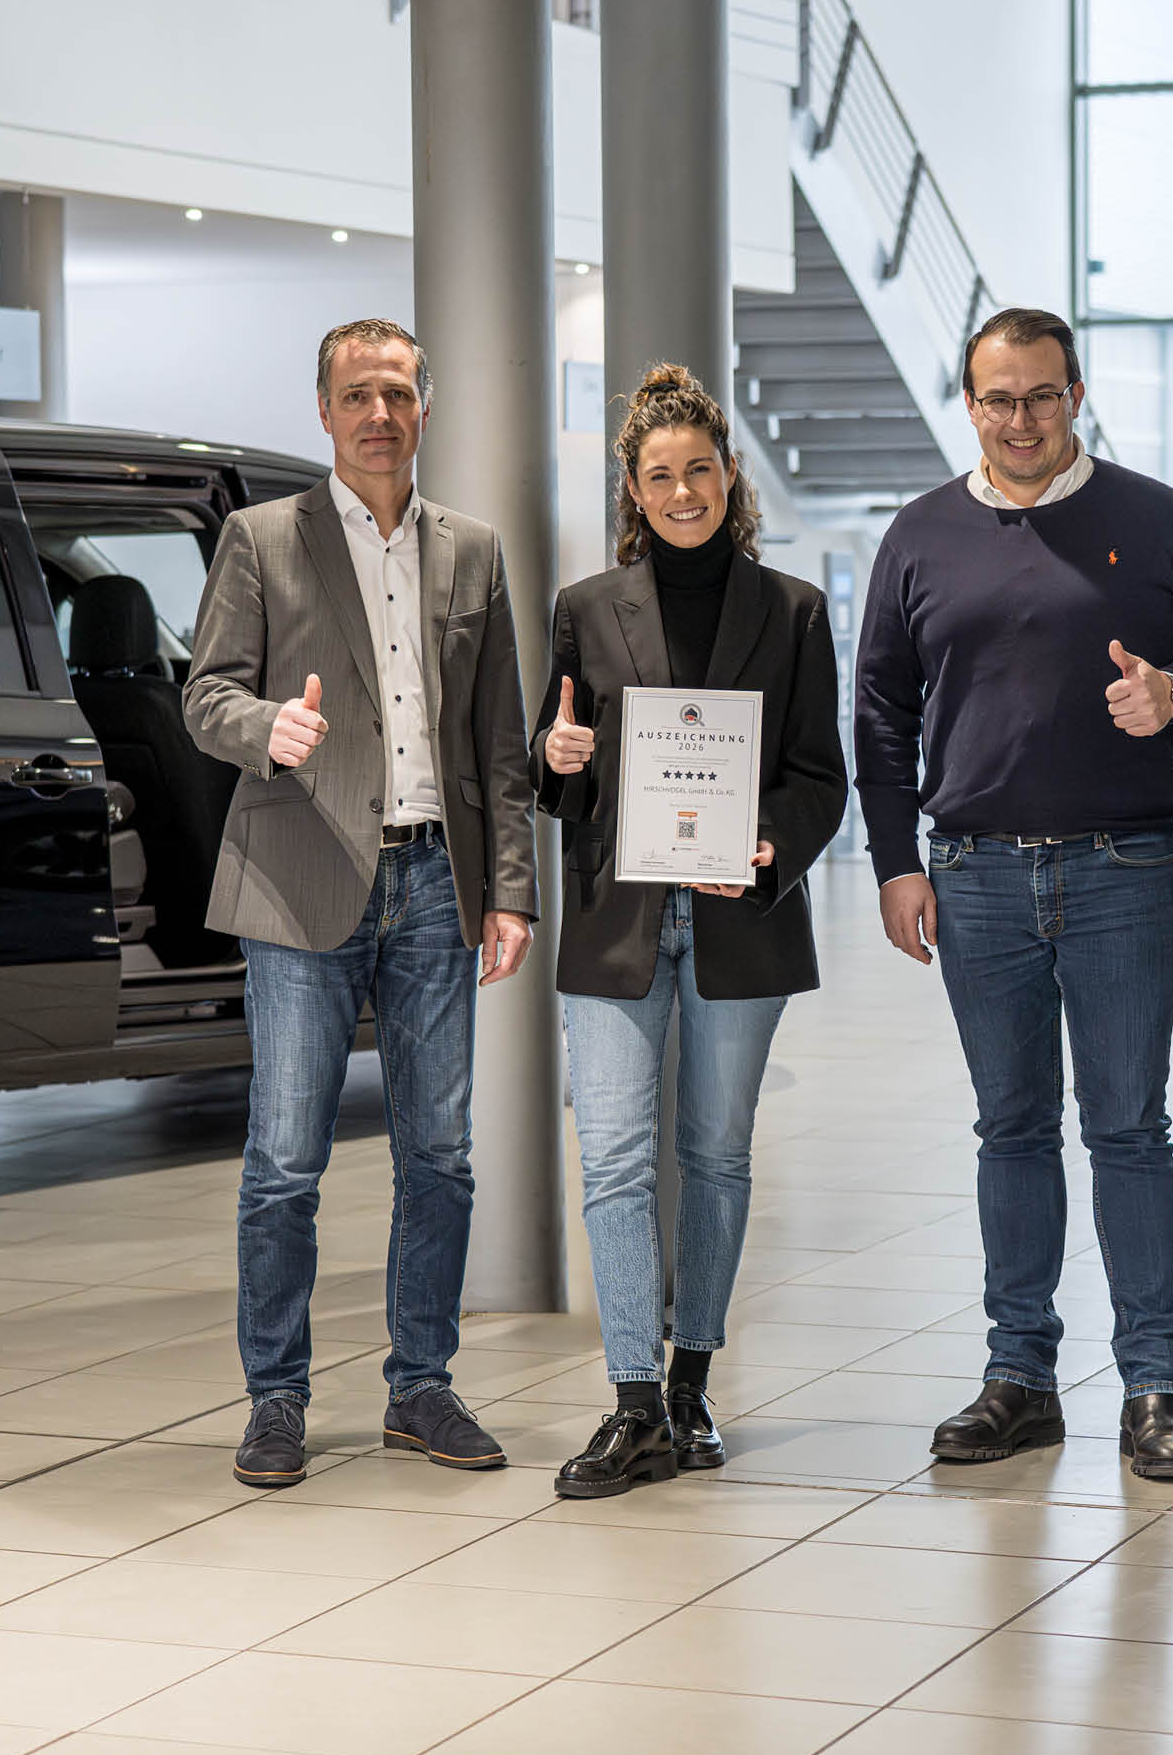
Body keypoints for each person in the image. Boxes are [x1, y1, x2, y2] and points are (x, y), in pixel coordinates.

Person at [854, 306, 1173, 1482]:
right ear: (969, 402)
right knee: (1011, 1127)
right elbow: (879, 707)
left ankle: (1153, 1387)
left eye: (1041, 395)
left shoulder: (1154, 517)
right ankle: (1020, 1378)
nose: (1020, 419)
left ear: (1074, 393)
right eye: (998, 398)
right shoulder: (922, 534)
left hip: (1123, 866)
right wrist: (896, 860)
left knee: (1130, 1126)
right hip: (976, 872)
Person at [184, 317, 538, 1488]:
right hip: (299, 878)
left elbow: (498, 741)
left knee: (440, 1153)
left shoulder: (473, 550)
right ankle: (275, 1398)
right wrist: (264, 728)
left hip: (437, 881)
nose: (378, 413)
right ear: (325, 412)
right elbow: (208, 694)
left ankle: (420, 1386)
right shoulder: (260, 537)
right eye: (356, 394)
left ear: (424, 405)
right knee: (286, 1158)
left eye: (397, 391)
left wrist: (510, 891)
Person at [533, 362, 847, 1499]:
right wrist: (555, 762)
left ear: (729, 477)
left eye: (698, 470)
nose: (681, 492)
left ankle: (692, 1382)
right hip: (619, 926)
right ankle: (631, 1402)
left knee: (714, 1156)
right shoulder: (584, 609)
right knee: (615, 1161)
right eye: (659, 475)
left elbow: (821, 777)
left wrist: (767, 843)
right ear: (633, 485)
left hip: (738, 925)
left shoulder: (795, 612)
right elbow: (554, 767)